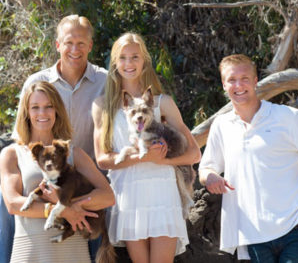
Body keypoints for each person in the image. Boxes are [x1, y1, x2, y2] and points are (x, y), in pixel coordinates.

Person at [0, 14, 107, 263]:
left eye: (81, 43)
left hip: (84, 177)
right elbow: (22, 140)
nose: (74, 49)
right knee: (6, 204)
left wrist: (72, 203)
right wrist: (57, 205)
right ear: (58, 44)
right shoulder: (37, 82)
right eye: (68, 42)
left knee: (94, 225)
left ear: (90, 46)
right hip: (40, 177)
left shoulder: (105, 82)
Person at [92, 32, 201, 263]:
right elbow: (102, 159)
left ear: (144, 61)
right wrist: (143, 158)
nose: (129, 63)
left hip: (163, 194)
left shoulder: (163, 103)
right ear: (114, 62)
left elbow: (194, 153)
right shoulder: (103, 105)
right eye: (122, 58)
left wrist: (163, 160)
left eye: (135, 57)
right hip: (128, 195)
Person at [199, 54, 298, 262]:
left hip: (297, 227)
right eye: (232, 80)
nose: (238, 85)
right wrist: (210, 177)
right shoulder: (221, 125)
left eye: (245, 78)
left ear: (256, 80)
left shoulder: (288, 117)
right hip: (252, 234)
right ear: (224, 84)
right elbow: (206, 169)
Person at [0, 81, 115, 263]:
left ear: (57, 111)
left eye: (48, 107)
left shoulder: (73, 153)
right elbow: (13, 204)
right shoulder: (12, 154)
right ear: (26, 113)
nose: (42, 113)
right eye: (35, 107)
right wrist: (60, 210)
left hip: (73, 252)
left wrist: (68, 204)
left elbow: (108, 196)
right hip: (30, 252)